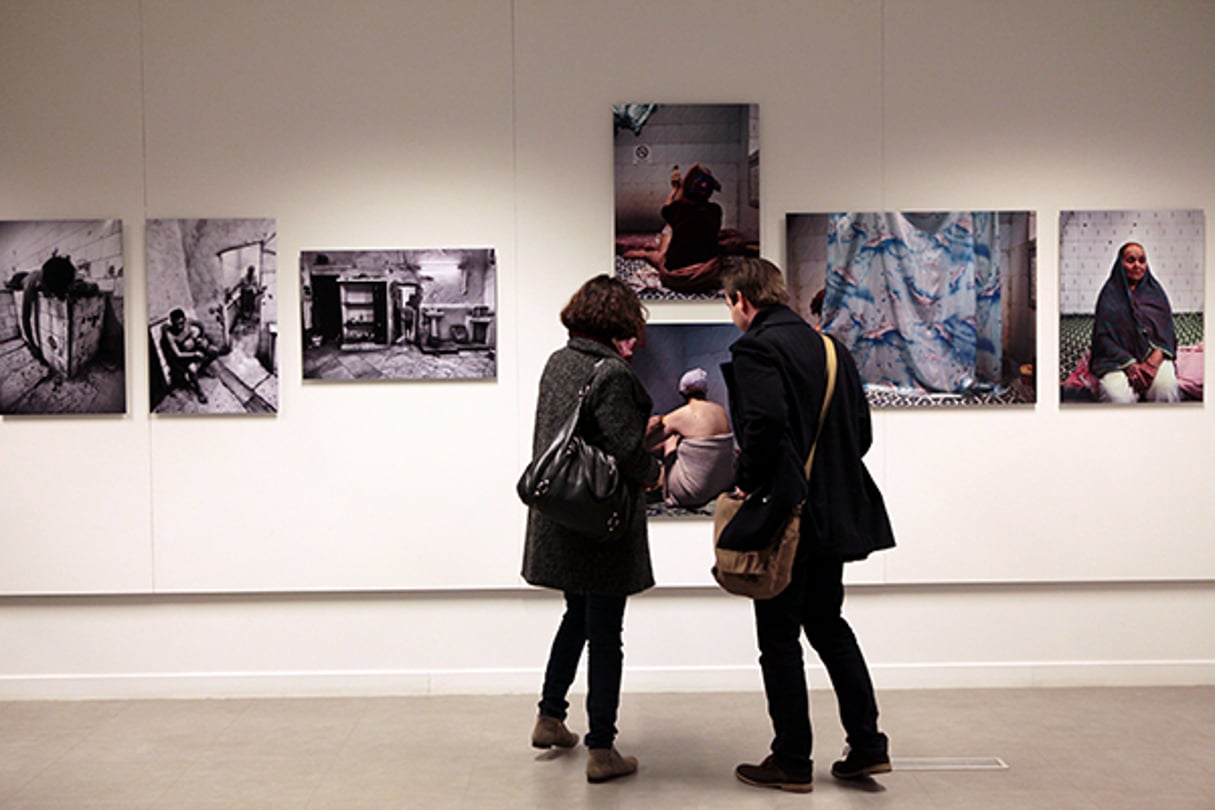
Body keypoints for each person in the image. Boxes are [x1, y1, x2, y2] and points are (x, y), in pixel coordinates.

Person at [720, 257, 895, 793]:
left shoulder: (756, 348)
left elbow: (764, 425)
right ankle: (867, 745)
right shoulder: (830, 348)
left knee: (778, 638)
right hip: (834, 516)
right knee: (829, 626)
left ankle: (792, 759)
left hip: (786, 516)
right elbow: (860, 435)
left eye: (729, 302)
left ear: (742, 301)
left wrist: (748, 479)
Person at [521, 274, 660, 784]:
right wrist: (656, 472)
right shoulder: (611, 372)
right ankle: (602, 748)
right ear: (618, 321)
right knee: (606, 633)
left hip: (563, 514)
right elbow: (625, 449)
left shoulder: (559, 363)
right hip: (602, 521)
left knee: (576, 617)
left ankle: (550, 716)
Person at [1090, 242, 1181, 404]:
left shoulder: (1156, 293)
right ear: (1120, 263)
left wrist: (1153, 363)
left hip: (1153, 357)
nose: (1137, 265)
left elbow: (1167, 332)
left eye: (1142, 260)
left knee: (1166, 387)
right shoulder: (1109, 295)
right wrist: (1129, 364)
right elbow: (1102, 338)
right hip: (1117, 361)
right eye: (1130, 260)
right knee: (1117, 396)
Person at [623, 163, 724, 293]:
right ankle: (650, 254)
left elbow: (669, 208)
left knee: (666, 236)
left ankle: (645, 254)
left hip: (675, 279)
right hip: (706, 277)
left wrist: (676, 189)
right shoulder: (715, 210)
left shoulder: (677, 210)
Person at [644, 368, 735, 509]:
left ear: (682, 392)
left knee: (671, 438)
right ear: (705, 391)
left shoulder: (681, 415)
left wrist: (650, 426)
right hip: (722, 486)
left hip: (693, 492)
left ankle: (659, 482)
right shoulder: (720, 410)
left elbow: (647, 444)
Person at [160, 308, 220, 404]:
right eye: (177, 324)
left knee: (214, 351)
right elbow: (178, 354)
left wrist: (200, 336)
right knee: (192, 370)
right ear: (172, 323)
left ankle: (203, 369)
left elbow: (200, 325)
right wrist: (194, 355)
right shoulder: (170, 335)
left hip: (194, 347)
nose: (180, 326)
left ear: (184, 319)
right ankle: (199, 391)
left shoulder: (188, 322)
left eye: (182, 322)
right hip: (184, 356)